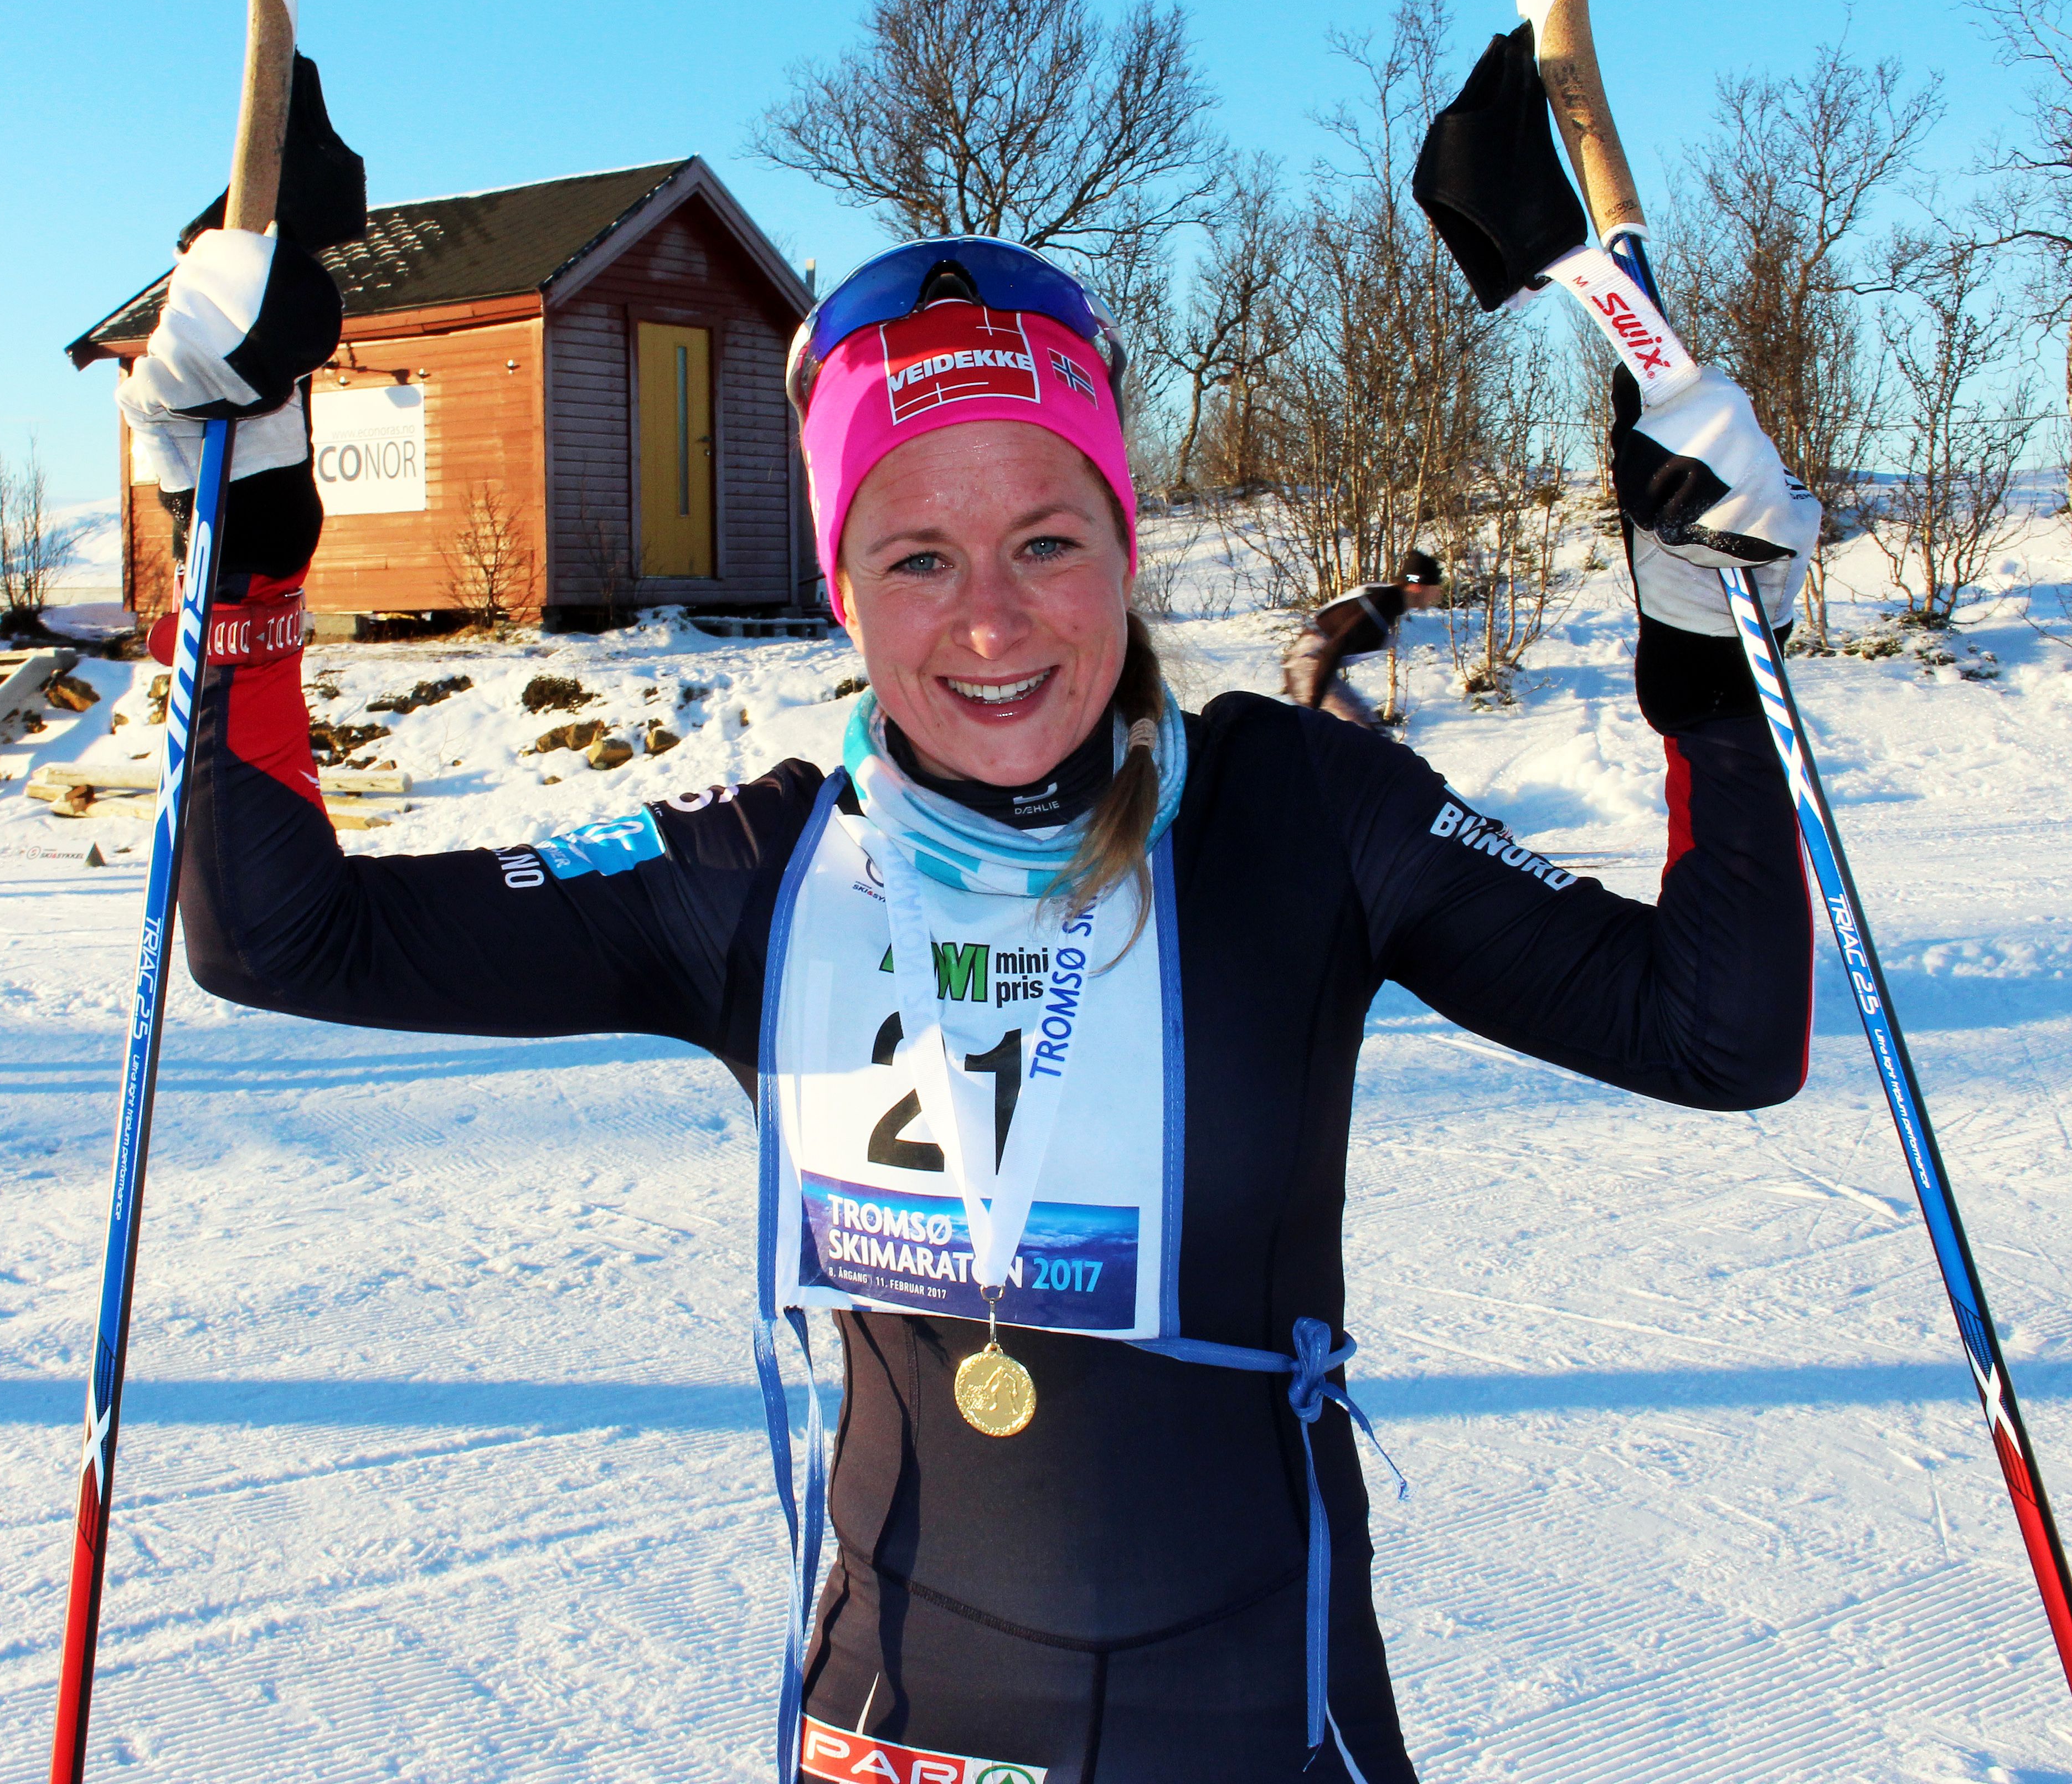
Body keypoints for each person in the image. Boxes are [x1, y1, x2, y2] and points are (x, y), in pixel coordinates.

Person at [124, 222, 1817, 1782]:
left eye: (1047, 541)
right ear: (844, 586)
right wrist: (240, 550)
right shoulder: (762, 874)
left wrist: (1707, 659)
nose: (992, 621)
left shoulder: (1300, 814)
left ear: (1126, 547)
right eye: (918, 556)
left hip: (1259, 1723)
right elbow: (281, 938)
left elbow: (1719, 1031)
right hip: (903, 1729)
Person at [1281, 552, 1446, 726]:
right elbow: (1333, 650)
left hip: (1312, 665)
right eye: (1435, 587)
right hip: (1309, 665)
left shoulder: (1387, 601)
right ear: (1418, 586)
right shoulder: (1381, 604)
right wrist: (1312, 710)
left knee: (1367, 732)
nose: (1438, 594)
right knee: (1366, 733)